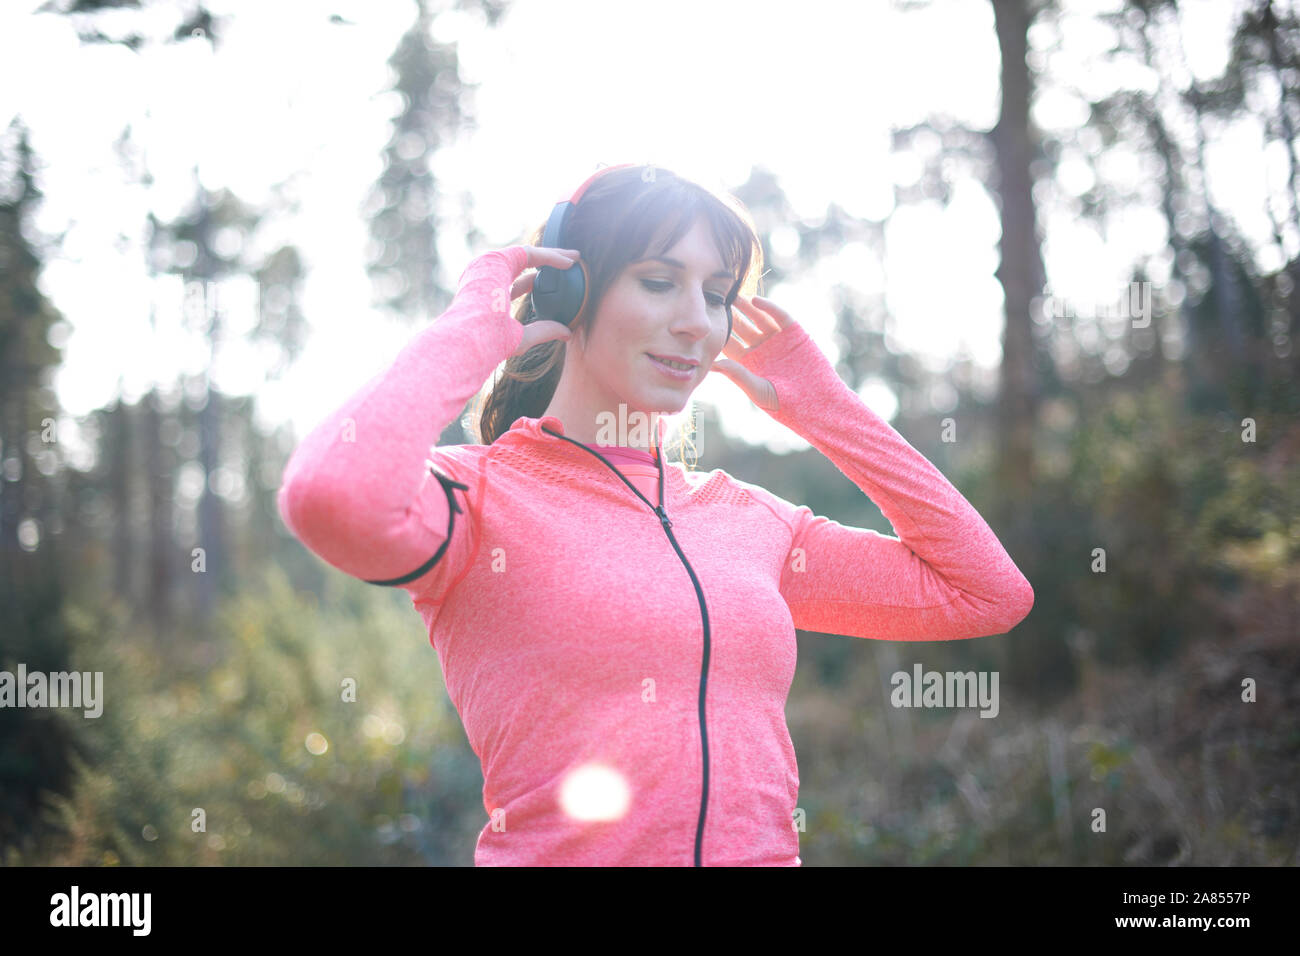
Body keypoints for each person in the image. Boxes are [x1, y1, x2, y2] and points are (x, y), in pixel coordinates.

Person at [276, 163, 1034, 866]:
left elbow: (987, 593)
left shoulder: (753, 521)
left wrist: (827, 408)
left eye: (716, 294)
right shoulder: (479, 501)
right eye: (659, 281)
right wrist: (471, 334)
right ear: (570, 295)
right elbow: (330, 495)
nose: (697, 322)